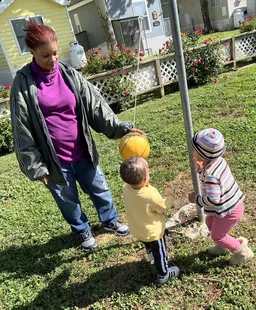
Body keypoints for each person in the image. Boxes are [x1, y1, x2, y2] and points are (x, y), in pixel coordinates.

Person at [10, 21, 143, 252]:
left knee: (100, 188)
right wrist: (36, 167)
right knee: (67, 200)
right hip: (55, 161)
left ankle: (110, 220)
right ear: (31, 53)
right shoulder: (23, 84)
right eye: (45, 56)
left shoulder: (69, 75)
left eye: (55, 53)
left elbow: (96, 108)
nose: (52, 60)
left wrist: (121, 127)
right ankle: (82, 230)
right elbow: (22, 128)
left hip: (83, 152)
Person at [189, 128, 254, 265]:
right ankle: (223, 246)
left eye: (193, 148)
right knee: (209, 223)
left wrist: (197, 200)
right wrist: (201, 168)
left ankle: (242, 251)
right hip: (229, 204)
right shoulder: (218, 161)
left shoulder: (211, 175)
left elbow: (213, 199)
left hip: (229, 210)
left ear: (201, 154)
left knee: (217, 235)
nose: (191, 150)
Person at [120, 156, 180, 285]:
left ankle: (150, 253)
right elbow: (163, 207)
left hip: (138, 229)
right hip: (154, 233)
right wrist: (169, 194)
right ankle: (163, 274)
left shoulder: (126, 188)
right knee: (161, 252)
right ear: (145, 178)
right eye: (148, 172)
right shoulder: (151, 194)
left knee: (148, 244)